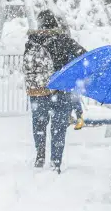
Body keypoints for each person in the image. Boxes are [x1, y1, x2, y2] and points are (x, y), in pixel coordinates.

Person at [23, 10, 86, 171]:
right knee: (58, 128)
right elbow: (84, 57)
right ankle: (55, 163)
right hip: (60, 91)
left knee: (39, 125)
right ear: (55, 24)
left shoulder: (32, 41)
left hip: (38, 91)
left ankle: (40, 156)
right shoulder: (64, 40)